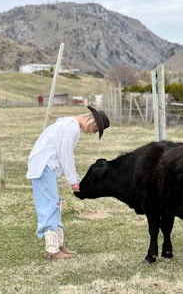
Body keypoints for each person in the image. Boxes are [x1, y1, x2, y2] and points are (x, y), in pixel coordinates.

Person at [26, 106, 110, 260]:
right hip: (45, 166)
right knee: (49, 205)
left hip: (46, 165)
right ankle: (52, 250)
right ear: (92, 123)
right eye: (96, 130)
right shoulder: (71, 128)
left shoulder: (68, 124)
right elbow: (66, 156)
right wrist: (74, 180)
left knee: (54, 203)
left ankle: (58, 245)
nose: (93, 133)